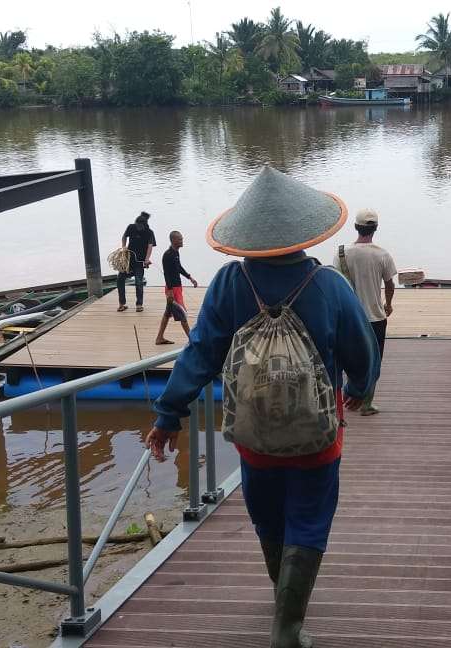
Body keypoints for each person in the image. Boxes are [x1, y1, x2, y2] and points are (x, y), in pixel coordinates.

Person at [147, 166, 378, 648]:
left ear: (246, 238)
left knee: (269, 518)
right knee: (309, 518)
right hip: (318, 435)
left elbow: (200, 354)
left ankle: (283, 599)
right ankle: (288, 626)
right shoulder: (329, 284)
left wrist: (170, 414)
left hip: (253, 437)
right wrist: (361, 386)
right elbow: (362, 347)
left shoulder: (230, 283)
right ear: (305, 233)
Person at [335, 208, 396, 416]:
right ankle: (367, 403)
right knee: (374, 361)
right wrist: (388, 304)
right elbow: (389, 284)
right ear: (376, 229)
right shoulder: (382, 254)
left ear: (355, 227)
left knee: (348, 358)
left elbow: (337, 284)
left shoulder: (342, 253)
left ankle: (349, 395)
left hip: (349, 318)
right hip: (375, 318)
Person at [155, 230, 198, 345]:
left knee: (168, 312)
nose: (182, 241)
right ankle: (191, 339)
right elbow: (167, 274)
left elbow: (178, 267)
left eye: (181, 239)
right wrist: (169, 291)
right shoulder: (168, 255)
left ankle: (159, 337)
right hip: (172, 289)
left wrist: (190, 278)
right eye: (180, 239)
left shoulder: (175, 253)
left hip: (177, 288)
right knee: (182, 313)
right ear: (173, 240)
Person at [116, 212, 156, 312]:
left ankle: (139, 304)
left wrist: (147, 259)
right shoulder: (131, 227)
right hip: (128, 259)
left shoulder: (149, 232)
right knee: (120, 278)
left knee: (139, 281)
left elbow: (150, 246)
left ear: (144, 225)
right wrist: (124, 247)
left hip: (139, 261)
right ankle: (122, 304)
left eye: (139, 226)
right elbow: (124, 237)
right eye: (136, 225)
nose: (137, 227)